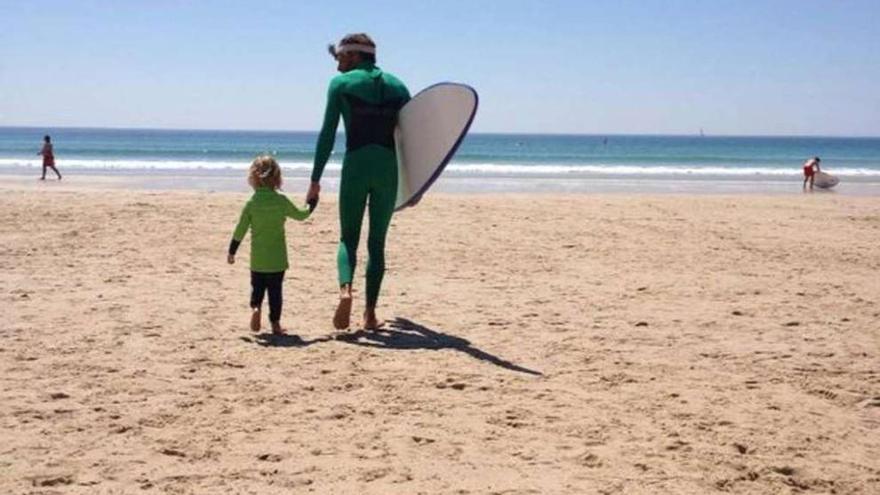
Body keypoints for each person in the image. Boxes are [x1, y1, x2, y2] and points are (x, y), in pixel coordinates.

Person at [306, 33, 410, 331]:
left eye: (340, 57)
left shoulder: (340, 85)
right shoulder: (399, 87)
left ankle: (345, 291)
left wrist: (315, 180)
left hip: (356, 165)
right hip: (387, 169)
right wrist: (414, 184)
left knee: (347, 238)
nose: (337, 64)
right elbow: (412, 140)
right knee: (377, 244)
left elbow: (327, 134)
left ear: (353, 55)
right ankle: (370, 314)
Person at [228, 155, 311, 335]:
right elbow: (301, 215)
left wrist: (232, 251)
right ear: (277, 178)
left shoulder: (251, 203)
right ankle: (275, 324)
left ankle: (255, 308)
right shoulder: (281, 201)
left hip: (258, 260)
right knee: (275, 293)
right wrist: (311, 203)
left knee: (257, 288)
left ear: (253, 178)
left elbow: (240, 230)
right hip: (277, 260)